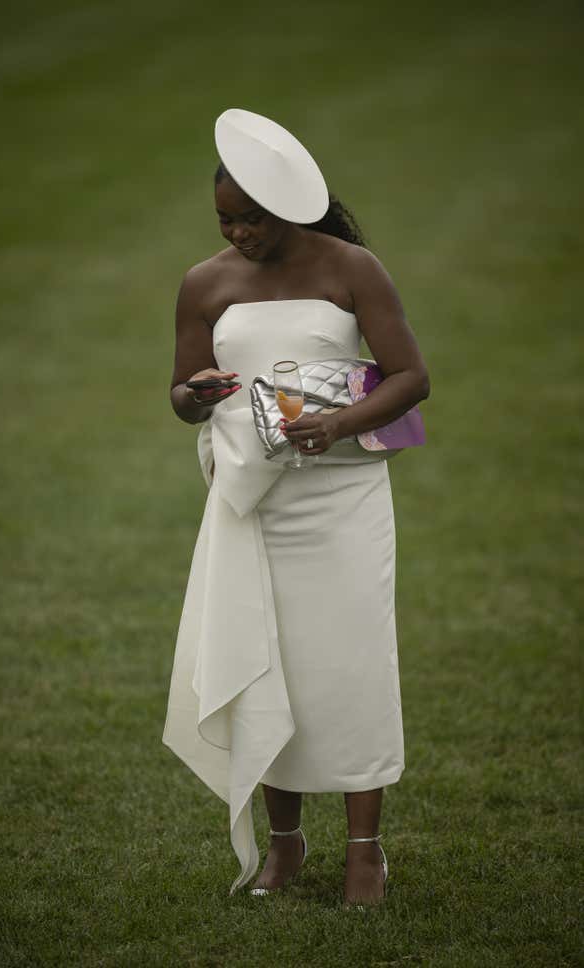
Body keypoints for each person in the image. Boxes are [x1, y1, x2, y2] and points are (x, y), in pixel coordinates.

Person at [162, 108, 430, 907]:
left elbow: (410, 377)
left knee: (348, 667)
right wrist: (194, 392)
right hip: (252, 501)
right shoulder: (204, 284)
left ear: (289, 211)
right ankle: (284, 844)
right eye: (225, 221)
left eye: (252, 220)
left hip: (341, 497)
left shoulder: (353, 267)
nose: (238, 234)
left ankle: (364, 853)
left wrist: (340, 424)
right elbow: (180, 398)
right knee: (263, 660)